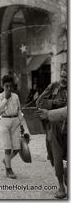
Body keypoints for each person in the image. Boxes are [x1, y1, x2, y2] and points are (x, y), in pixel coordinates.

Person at [36, 66, 67, 199]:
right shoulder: (54, 89)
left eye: (66, 77)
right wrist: (52, 96)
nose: (63, 79)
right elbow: (39, 102)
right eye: (62, 76)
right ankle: (61, 187)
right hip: (55, 129)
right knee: (57, 157)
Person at [0, 75, 25, 179]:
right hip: (4, 121)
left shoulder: (16, 96)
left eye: (10, 86)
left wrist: (21, 124)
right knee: (7, 148)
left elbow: (19, 111)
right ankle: (8, 170)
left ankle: (6, 160)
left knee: (17, 148)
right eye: (6, 86)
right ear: (2, 86)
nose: (8, 88)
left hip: (15, 122)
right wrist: (5, 99)